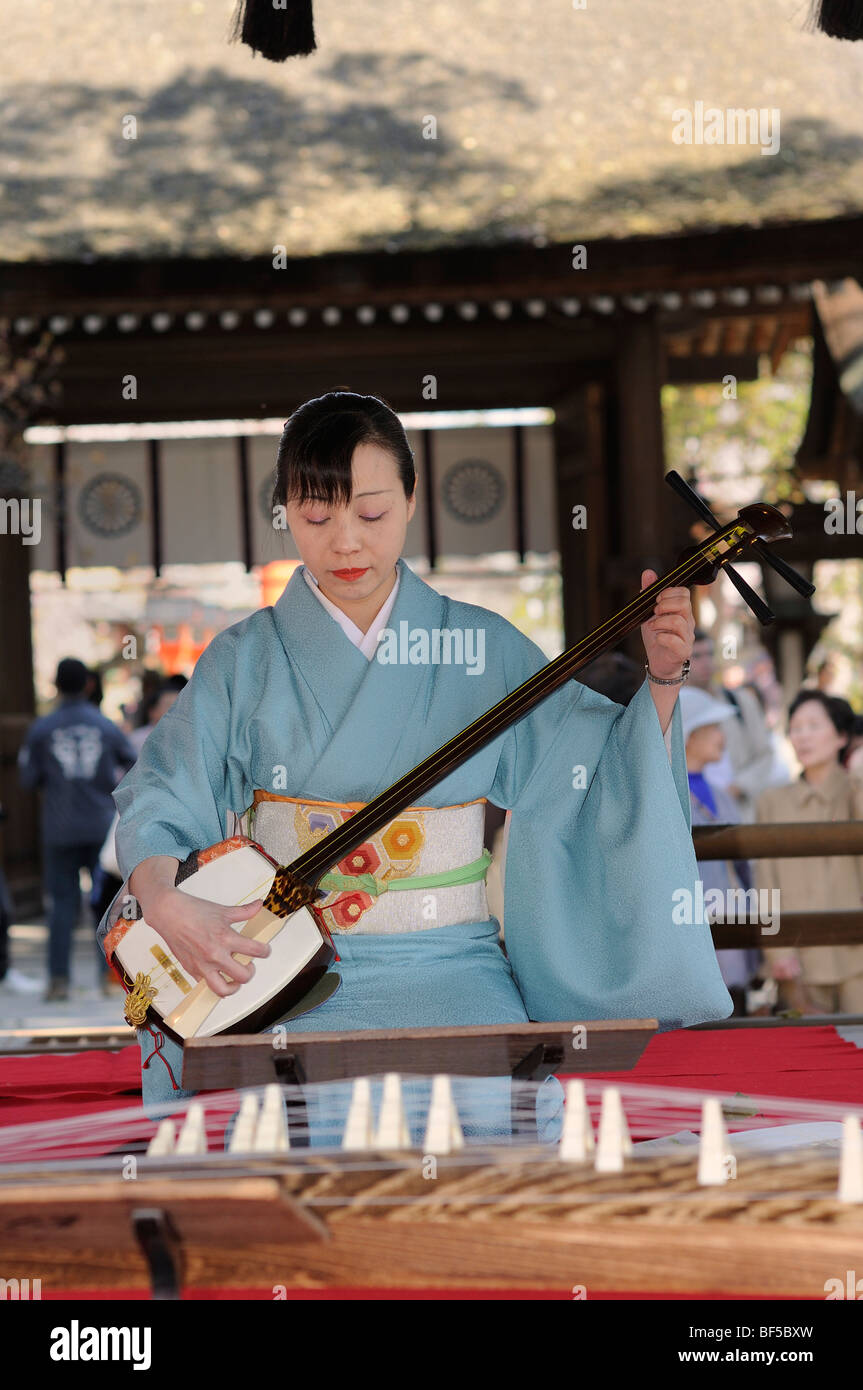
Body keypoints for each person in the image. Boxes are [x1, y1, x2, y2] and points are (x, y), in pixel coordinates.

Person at [95, 391, 730, 1119]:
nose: (345, 543)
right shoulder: (245, 659)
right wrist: (165, 901)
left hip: (452, 966)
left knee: (499, 1119)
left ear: (410, 499)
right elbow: (164, 792)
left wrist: (662, 678)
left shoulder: (481, 647)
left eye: (370, 513)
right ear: (283, 513)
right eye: (314, 516)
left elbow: (593, 774)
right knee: (288, 1128)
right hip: (281, 972)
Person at [17, 658, 137, 1000]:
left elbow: (27, 779)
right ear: (88, 684)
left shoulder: (42, 728)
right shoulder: (105, 725)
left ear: (55, 685)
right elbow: (133, 762)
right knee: (104, 905)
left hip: (59, 827)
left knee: (62, 904)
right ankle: (109, 978)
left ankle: (58, 981)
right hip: (99, 827)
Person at [755, 691, 863, 1014]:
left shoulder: (854, 791)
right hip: (800, 962)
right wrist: (777, 951)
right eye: (796, 728)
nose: (802, 736)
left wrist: (857, 767)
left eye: (814, 725)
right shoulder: (771, 803)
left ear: (841, 736)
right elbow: (765, 883)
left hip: (858, 957)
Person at [678, 687, 762, 1015]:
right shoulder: (667, 793)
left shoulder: (723, 796)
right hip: (687, 940)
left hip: (730, 930)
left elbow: (745, 869)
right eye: (712, 727)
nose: (721, 735)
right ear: (687, 735)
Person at [687, 629, 784, 821]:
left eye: (710, 654)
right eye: (697, 656)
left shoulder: (740, 701)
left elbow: (765, 754)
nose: (706, 662)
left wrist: (739, 786)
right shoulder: (670, 707)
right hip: (690, 810)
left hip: (739, 811)